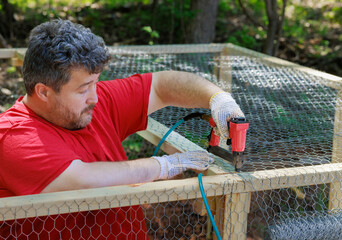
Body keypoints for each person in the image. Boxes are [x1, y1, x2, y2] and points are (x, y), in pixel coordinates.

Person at [0, 20, 245, 239]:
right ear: (44, 91)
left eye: (96, 82)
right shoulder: (14, 136)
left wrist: (217, 99)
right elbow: (85, 180)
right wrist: (166, 165)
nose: (95, 97)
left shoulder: (93, 103)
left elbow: (160, 86)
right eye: (84, 88)